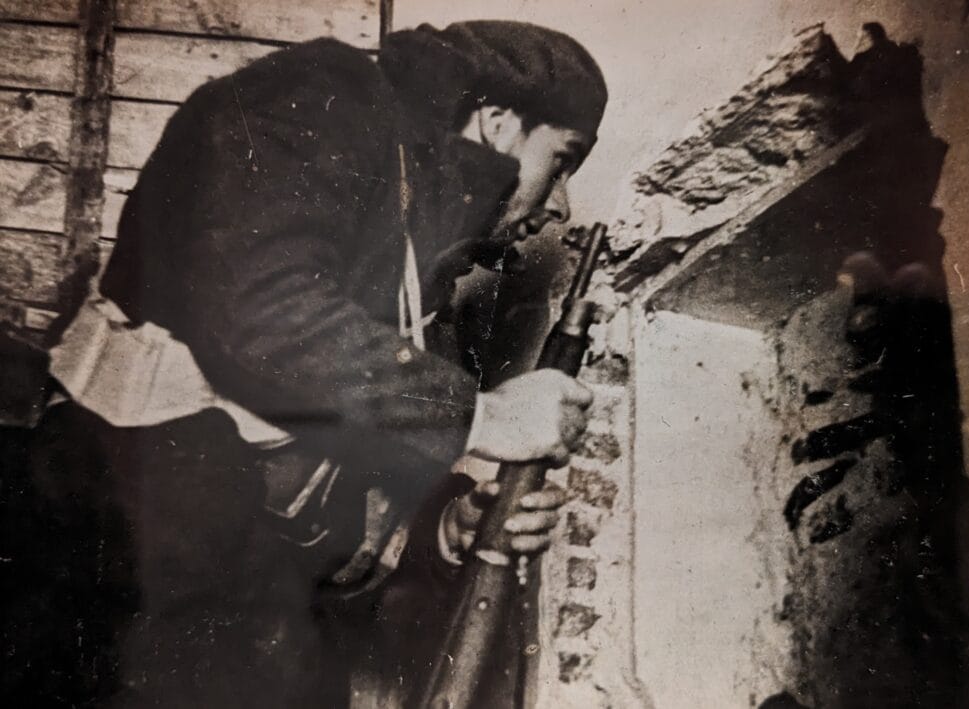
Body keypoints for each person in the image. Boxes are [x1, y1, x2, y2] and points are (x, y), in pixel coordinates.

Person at [18, 20, 607, 707]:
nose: (560, 203)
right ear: (499, 122)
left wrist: (449, 529)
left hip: (221, 550)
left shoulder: (418, 248)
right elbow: (259, 307)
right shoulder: (318, 96)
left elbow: (350, 476)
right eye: (561, 161)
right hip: (120, 523)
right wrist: (483, 414)